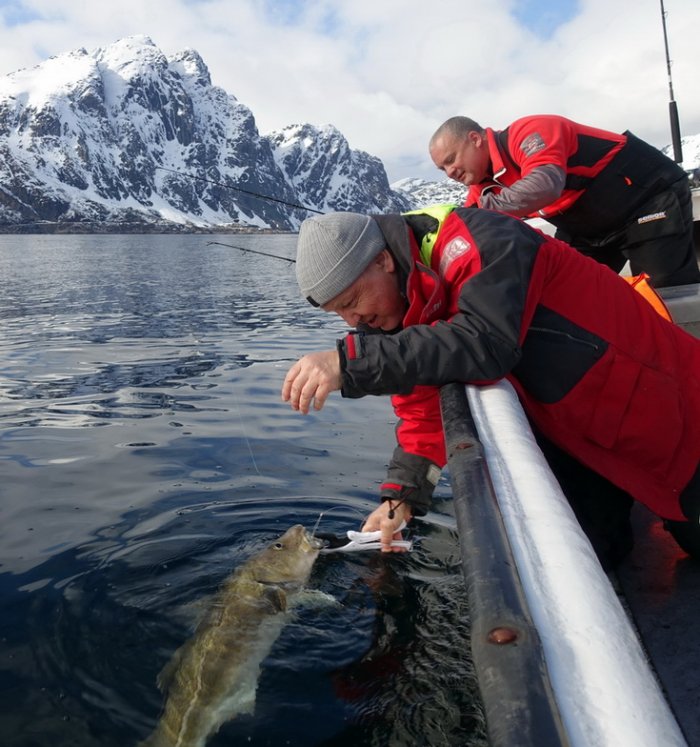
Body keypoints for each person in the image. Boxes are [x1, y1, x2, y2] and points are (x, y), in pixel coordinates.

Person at [281, 205, 700, 569]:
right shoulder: (398, 308)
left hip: (674, 411)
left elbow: (485, 341)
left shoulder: (485, 240)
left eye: (353, 302)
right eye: (340, 314)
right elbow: (423, 408)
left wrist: (350, 363)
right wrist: (400, 499)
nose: (353, 321)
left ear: (383, 261)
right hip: (589, 433)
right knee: (597, 548)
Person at [429, 114, 700, 288]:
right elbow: (465, 227)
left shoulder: (530, 131)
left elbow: (544, 186)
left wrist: (487, 210)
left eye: (451, 160)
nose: (450, 172)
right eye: (443, 169)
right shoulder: (482, 185)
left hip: (647, 200)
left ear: (475, 139)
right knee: (566, 291)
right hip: (590, 230)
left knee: (664, 296)